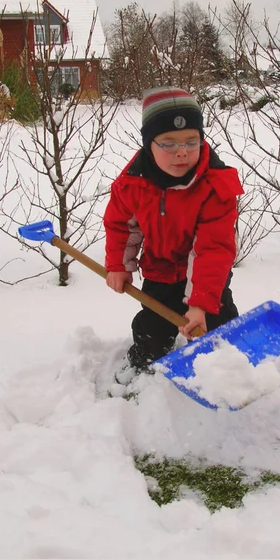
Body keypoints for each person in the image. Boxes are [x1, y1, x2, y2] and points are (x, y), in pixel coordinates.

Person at [103, 86, 244, 382]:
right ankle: (143, 366)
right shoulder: (132, 184)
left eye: (191, 141)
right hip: (159, 270)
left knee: (219, 327)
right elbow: (121, 226)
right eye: (168, 143)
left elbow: (213, 248)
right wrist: (119, 265)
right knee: (153, 330)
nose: (182, 151)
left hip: (209, 276)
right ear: (147, 144)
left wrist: (200, 303)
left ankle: (230, 371)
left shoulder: (215, 186)